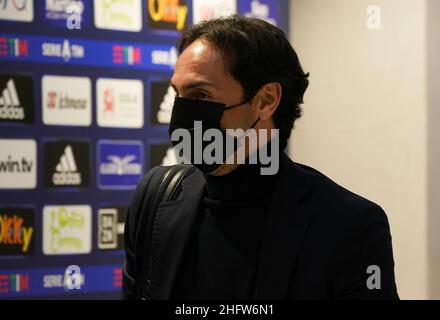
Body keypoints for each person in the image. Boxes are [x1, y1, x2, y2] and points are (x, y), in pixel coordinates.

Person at [123, 15, 399, 300]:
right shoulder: (155, 199)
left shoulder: (350, 226)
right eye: (178, 95)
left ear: (266, 100)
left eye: (201, 95)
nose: (182, 114)